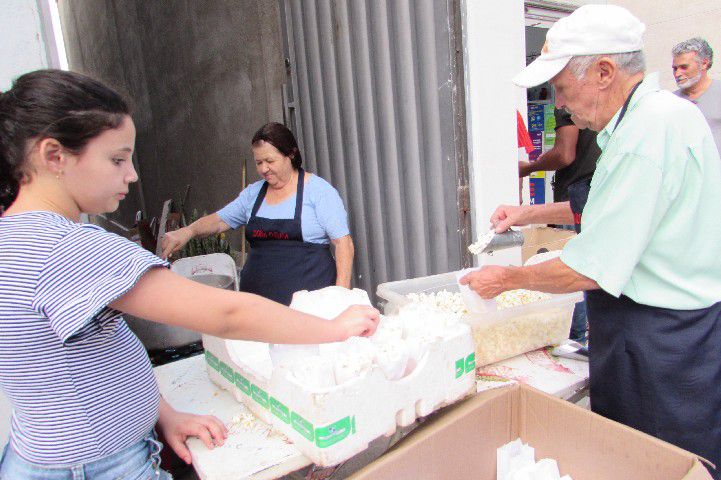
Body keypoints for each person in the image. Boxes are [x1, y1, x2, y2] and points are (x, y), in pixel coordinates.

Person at [0, 69, 379, 479]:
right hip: (100, 466)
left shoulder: (15, 237)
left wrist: (162, 414)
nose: (132, 175)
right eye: (117, 159)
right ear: (54, 156)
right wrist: (335, 328)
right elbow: (226, 315)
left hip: (45, 454)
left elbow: (95, 353)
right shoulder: (73, 248)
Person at [460, 5, 721, 478]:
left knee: (659, 462)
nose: (562, 105)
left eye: (561, 88)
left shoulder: (648, 133)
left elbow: (591, 265)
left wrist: (508, 278)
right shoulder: (646, 119)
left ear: (604, 72)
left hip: (663, 339)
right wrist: (530, 212)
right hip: (649, 326)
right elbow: (614, 212)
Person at [161, 123, 353, 306]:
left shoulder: (318, 191)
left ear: (291, 155)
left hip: (308, 310)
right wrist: (188, 231)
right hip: (257, 308)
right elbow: (219, 220)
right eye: (258, 162)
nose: (263, 169)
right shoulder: (253, 194)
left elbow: (344, 244)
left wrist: (339, 297)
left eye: (270, 161)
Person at [519, 107, 601, 343]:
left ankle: (573, 339)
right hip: (581, 199)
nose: (561, 100)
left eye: (562, 89)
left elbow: (565, 154)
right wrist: (525, 214)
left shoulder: (570, 104)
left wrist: (506, 279)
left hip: (577, 191)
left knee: (575, 270)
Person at [672, 37, 721, 150]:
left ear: (704, 64)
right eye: (675, 68)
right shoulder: (670, 101)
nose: (678, 73)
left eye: (684, 67)